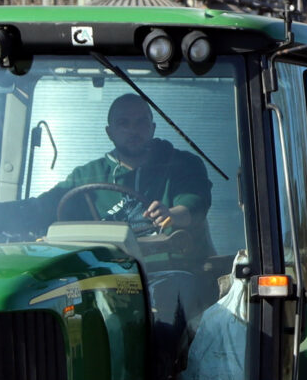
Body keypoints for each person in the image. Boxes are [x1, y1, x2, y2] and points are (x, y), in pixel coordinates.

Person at [30, 94, 212, 259]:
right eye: (124, 123)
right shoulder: (86, 175)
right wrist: (14, 215)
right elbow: (43, 208)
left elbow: (195, 204)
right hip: (108, 277)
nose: (133, 130)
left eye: (141, 122)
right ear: (110, 132)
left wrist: (171, 214)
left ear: (152, 128)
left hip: (176, 272)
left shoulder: (182, 164)